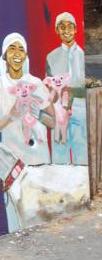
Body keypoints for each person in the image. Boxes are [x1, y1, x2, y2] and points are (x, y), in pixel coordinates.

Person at [0, 33, 56, 232]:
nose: (17, 54)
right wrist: (11, 117)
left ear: (26, 55)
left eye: (21, 49)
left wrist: (38, 114)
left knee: (42, 213)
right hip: (12, 163)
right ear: (4, 56)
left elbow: (53, 122)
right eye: (12, 49)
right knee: (17, 220)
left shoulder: (37, 84)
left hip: (39, 158)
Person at [46, 12, 87, 165]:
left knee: (82, 154)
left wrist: (72, 92)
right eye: (62, 27)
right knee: (59, 155)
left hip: (81, 110)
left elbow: (89, 86)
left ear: (76, 29)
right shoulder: (51, 57)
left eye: (70, 27)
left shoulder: (83, 55)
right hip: (59, 112)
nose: (66, 30)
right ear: (57, 30)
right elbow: (50, 85)